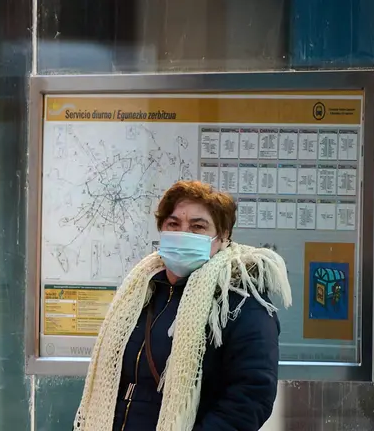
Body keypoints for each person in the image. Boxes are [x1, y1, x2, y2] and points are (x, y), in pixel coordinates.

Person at [73, 180, 292, 431]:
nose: (183, 233)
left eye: (198, 227)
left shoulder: (240, 303)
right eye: (173, 224)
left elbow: (250, 397)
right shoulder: (141, 292)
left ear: (223, 237)